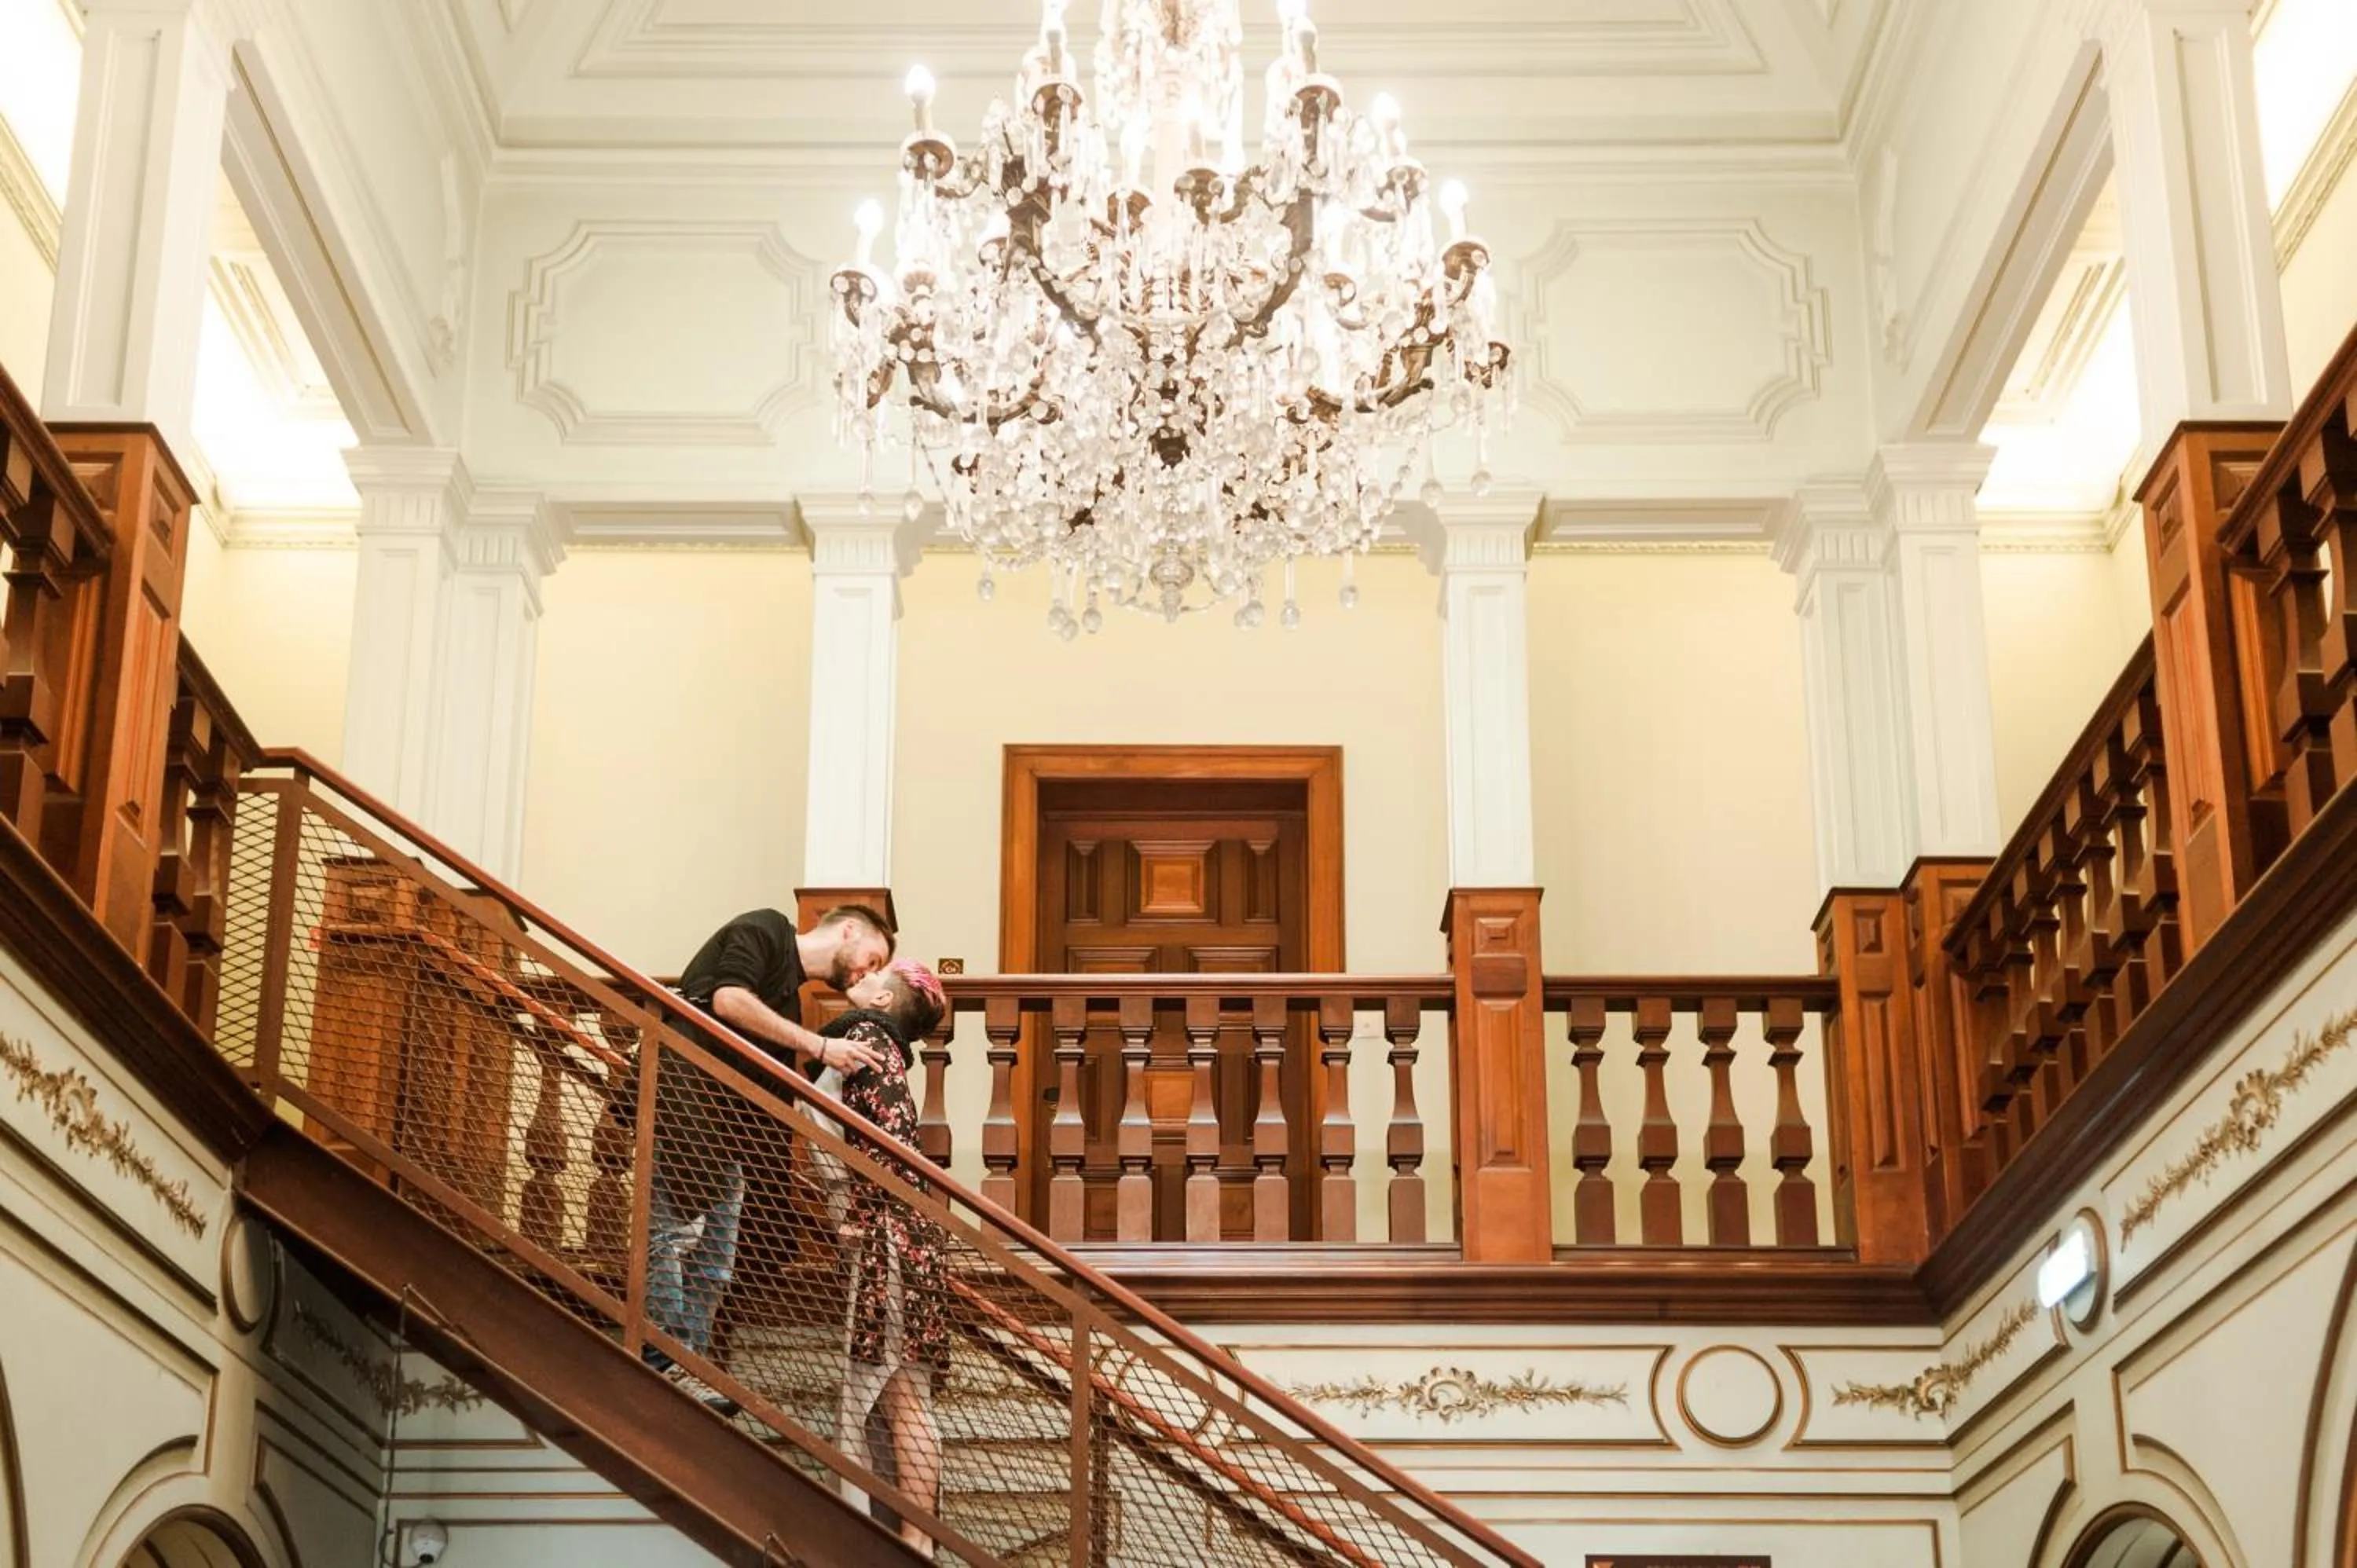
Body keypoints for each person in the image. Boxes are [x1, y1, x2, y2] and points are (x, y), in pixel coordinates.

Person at [642, 904, 896, 1412]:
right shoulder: (765, 928)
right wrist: (819, 1047)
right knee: (673, 1239)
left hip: (730, 1137)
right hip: (685, 1101)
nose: (867, 972)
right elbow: (729, 999)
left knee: (715, 1265)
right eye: (872, 958)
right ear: (849, 929)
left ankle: (688, 1365)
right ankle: (662, 1362)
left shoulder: (791, 1000)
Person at [812, 959, 951, 1560]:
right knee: (903, 1395)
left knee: (901, 1398)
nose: (864, 975)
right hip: (905, 1233)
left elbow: (858, 1133)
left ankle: (914, 1539)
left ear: (886, 1000)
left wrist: (853, 1207)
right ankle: (912, 1537)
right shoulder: (884, 1049)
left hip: (888, 1237)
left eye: (877, 974)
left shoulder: (865, 1038)